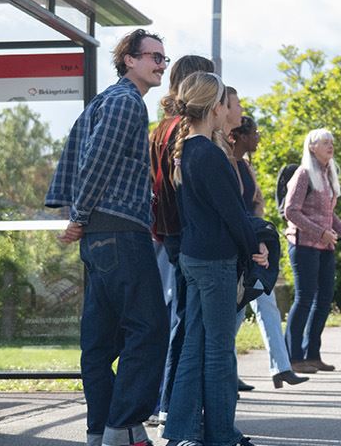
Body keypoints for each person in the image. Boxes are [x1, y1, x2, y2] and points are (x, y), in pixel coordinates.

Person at [44, 29, 167, 446]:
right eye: (153, 56)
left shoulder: (107, 100)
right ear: (128, 59)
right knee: (149, 329)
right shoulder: (125, 103)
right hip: (120, 233)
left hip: (102, 238)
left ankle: (100, 431)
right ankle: (123, 429)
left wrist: (81, 217)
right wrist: (78, 214)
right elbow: (96, 161)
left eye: (163, 58)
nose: (161, 64)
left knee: (99, 343)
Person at [166, 72, 267, 446]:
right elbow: (233, 214)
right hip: (214, 263)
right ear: (213, 107)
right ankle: (222, 434)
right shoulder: (209, 154)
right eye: (227, 102)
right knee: (220, 353)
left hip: (194, 259)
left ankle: (183, 431)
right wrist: (255, 249)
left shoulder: (187, 150)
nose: (230, 109)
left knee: (194, 346)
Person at [150, 55, 215, 421]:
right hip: (186, 233)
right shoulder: (185, 129)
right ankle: (172, 402)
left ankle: (167, 399)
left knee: (181, 317)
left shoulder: (160, 127)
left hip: (167, 231)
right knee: (188, 322)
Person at [227, 115, 309, 389]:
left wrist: (261, 237)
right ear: (240, 135)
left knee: (267, 305)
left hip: (255, 246)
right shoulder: (225, 162)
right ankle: (227, 370)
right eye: (255, 132)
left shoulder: (246, 166)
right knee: (235, 313)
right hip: (237, 249)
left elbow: (256, 204)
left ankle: (281, 367)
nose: (259, 136)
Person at [283, 128, 341, 375]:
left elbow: (327, 214)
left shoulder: (328, 174)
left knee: (324, 299)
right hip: (303, 245)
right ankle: (292, 357)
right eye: (325, 141)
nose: (330, 145)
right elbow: (291, 211)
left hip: (326, 245)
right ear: (312, 147)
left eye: (331, 142)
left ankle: (312, 355)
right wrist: (320, 232)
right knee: (304, 299)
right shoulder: (303, 174)